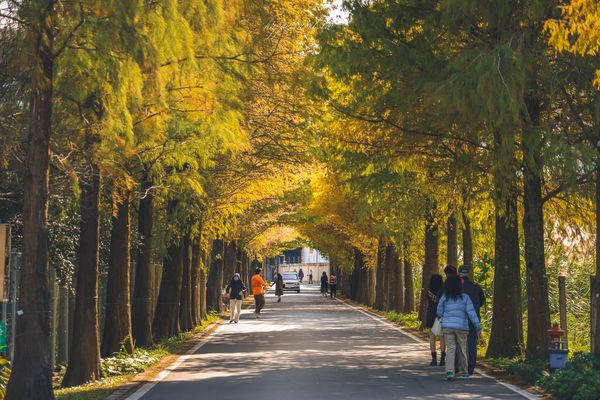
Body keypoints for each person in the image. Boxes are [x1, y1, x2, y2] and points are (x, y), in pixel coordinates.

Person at [436, 275, 482, 381]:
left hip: (447, 326)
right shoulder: (465, 297)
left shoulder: (445, 297)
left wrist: (443, 316)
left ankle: (450, 372)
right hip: (462, 327)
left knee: (451, 348)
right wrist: (478, 327)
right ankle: (463, 372)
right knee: (462, 348)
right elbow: (472, 313)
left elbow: (439, 311)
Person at [458, 265, 486, 375]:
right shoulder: (476, 286)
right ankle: (471, 367)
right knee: (472, 343)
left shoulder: (457, 287)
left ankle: (459, 365)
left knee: (459, 343)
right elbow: (482, 301)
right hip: (474, 318)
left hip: (460, 318)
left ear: (459, 273)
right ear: (468, 273)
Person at [425, 274, 445, 366]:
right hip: (441, 315)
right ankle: (442, 359)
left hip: (431, 315)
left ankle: (434, 359)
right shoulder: (444, 292)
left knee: (432, 337)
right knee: (442, 337)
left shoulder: (429, 292)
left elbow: (428, 304)